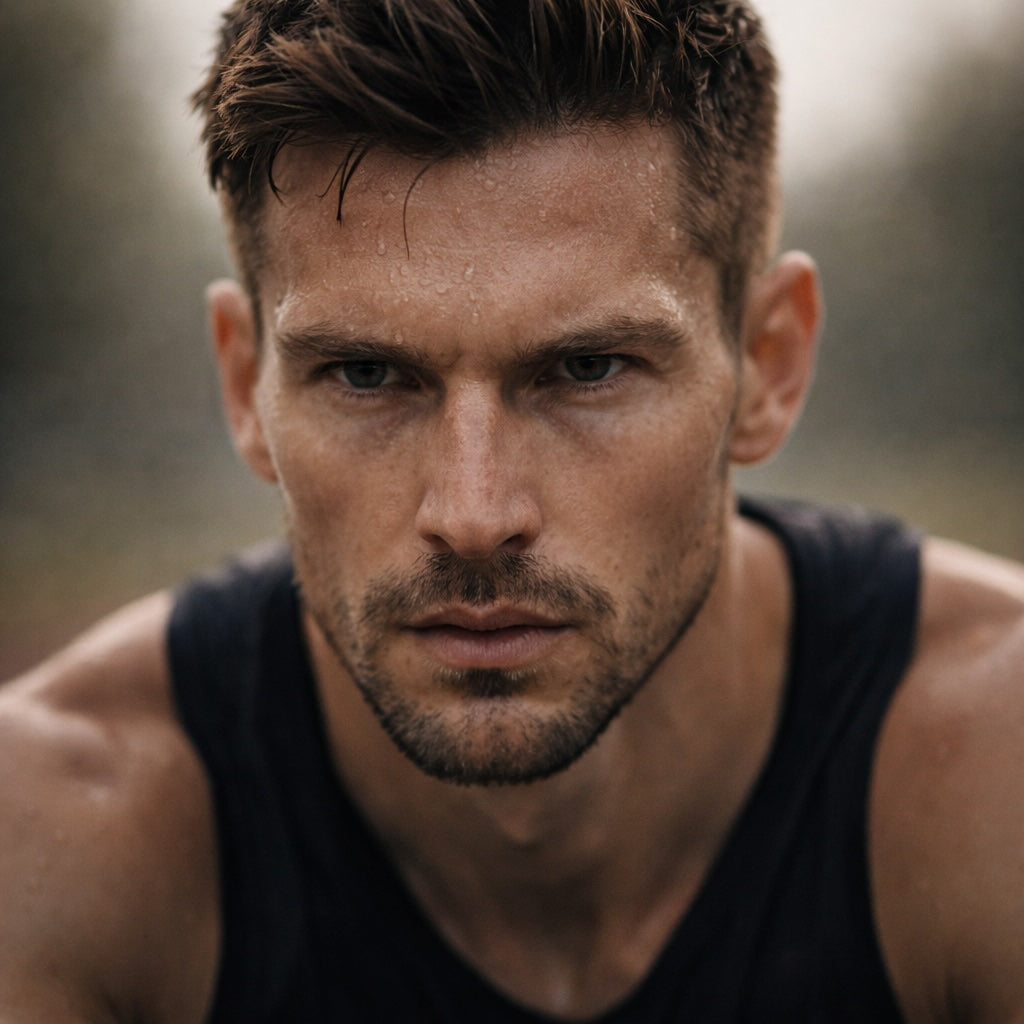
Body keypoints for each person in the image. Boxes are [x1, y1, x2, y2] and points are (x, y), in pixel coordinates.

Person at [1, 0, 1022, 1020]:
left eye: (587, 369)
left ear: (768, 364)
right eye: (366, 374)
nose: (474, 513)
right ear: (243, 385)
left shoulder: (994, 769)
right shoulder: (52, 836)